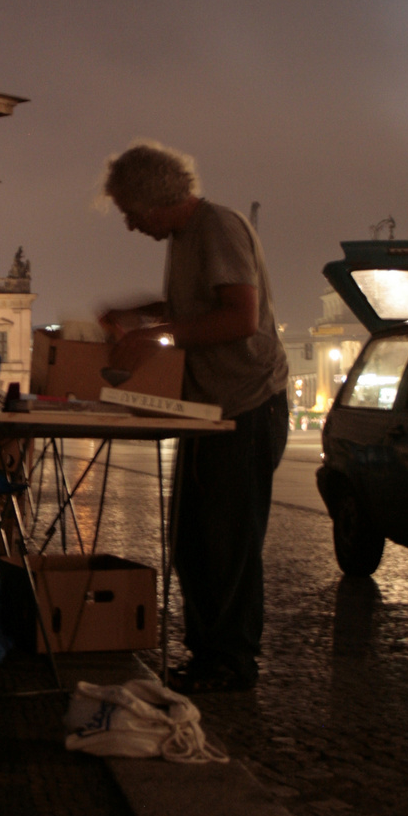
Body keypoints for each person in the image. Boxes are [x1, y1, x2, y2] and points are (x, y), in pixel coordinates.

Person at [100, 140, 289, 693]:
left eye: (132, 214)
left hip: (248, 406)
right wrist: (139, 313)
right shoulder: (187, 238)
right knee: (193, 539)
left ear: (154, 199)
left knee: (228, 542)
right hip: (208, 411)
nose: (133, 227)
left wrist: (156, 336)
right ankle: (208, 653)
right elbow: (195, 309)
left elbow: (240, 318)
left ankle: (230, 662)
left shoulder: (219, 228)